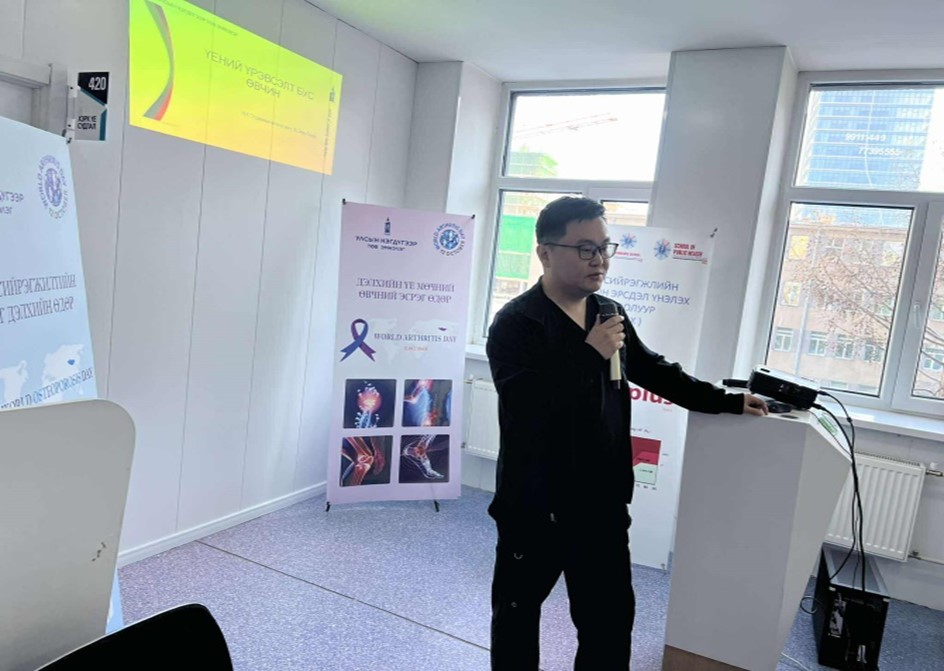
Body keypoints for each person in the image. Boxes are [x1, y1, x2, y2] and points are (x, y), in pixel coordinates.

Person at [485, 196, 768, 671]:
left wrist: (725, 400)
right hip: (536, 504)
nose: (599, 260)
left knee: (609, 620)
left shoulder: (607, 311)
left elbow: (653, 370)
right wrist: (587, 355)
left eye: (604, 247)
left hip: (600, 500)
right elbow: (526, 408)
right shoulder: (517, 323)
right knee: (518, 614)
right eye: (584, 248)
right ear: (545, 252)